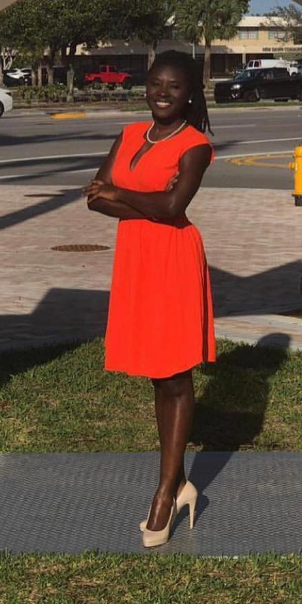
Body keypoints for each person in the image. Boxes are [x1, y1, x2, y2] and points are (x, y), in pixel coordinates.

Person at [83, 50, 216, 548]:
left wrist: (126, 196)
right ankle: (180, 480)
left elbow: (174, 207)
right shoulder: (129, 133)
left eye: (175, 86)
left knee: (175, 372)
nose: (163, 93)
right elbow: (96, 198)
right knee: (156, 373)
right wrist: (146, 202)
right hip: (137, 256)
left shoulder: (196, 145)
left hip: (173, 260)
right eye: (156, 83)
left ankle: (166, 493)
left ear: (190, 93)